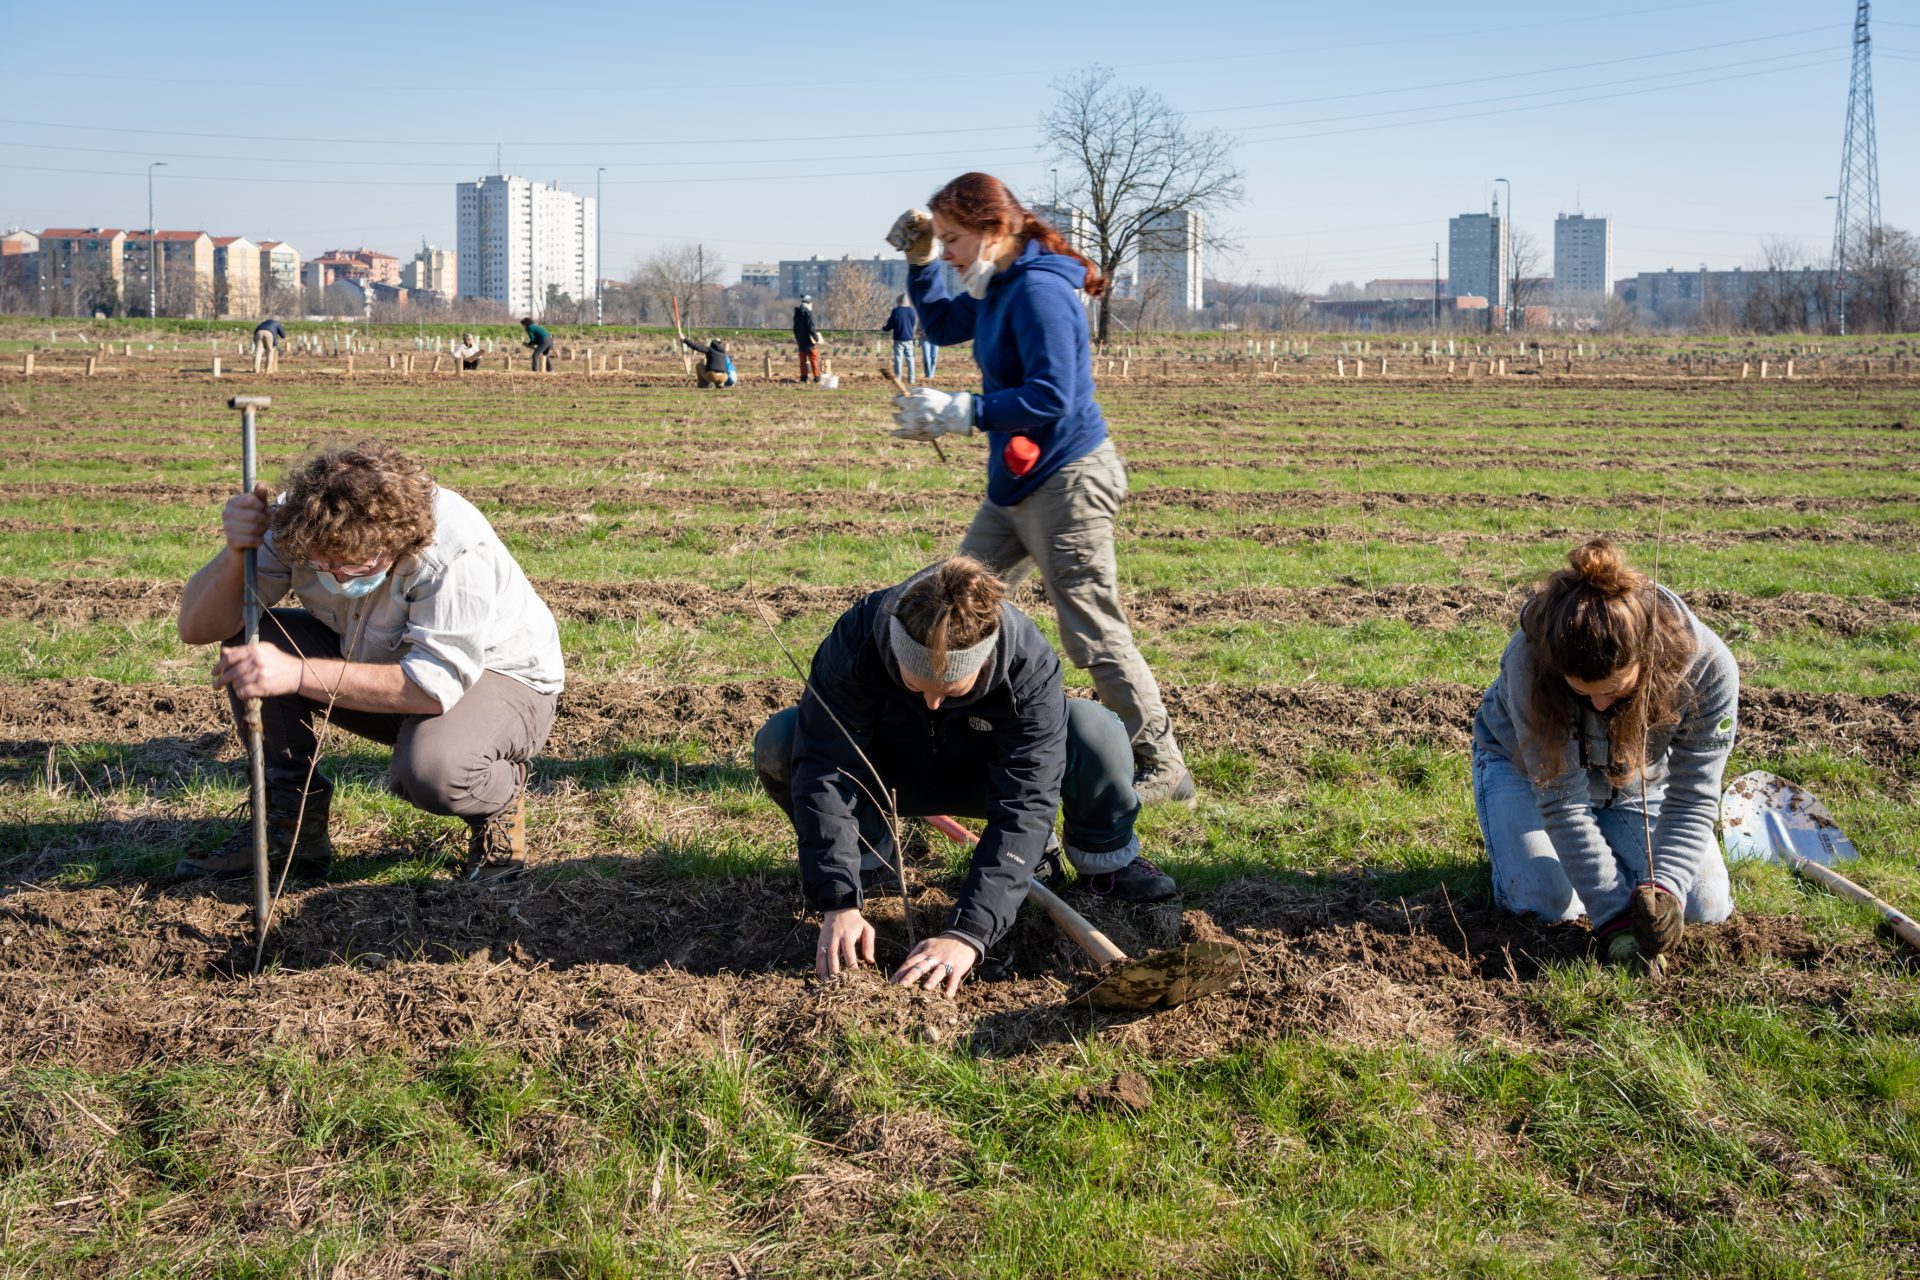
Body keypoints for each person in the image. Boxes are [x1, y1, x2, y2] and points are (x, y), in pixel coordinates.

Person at [882, 172, 1193, 805]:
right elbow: (940, 324)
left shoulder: (1039, 293)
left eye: (952, 239)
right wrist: (918, 264)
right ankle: (918, 743)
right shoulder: (996, 282)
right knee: (945, 603)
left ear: (995, 231)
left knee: (1091, 629)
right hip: (1017, 483)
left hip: (1068, 482)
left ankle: (1161, 765)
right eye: (938, 241)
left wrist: (967, 412)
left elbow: (1055, 395)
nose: (947, 252)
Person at [753, 558, 1176, 994]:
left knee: (1093, 728)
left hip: (989, 778)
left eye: (952, 690)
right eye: (917, 686)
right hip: (889, 775)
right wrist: (837, 899)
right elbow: (826, 767)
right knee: (783, 740)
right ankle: (869, 861)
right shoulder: (857, 639)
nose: (933, 703)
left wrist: (968, 933)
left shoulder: (1027, 663)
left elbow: (1028, 800)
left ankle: (1104, 861)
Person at [174, 439, 566, 883]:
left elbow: (432, 684)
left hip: (498, 678)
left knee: (434, 770)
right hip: (375, 659)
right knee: (250, 640)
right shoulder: (300, 522)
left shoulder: (454, 550)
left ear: (400, 543)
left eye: (358, 567)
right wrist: (236, 551)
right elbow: (197, 627)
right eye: (325, 565)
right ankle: (292, 829)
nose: (339, 578)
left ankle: (497, 802)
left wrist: (298, 672)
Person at [1472, 539, 1739, 976]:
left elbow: (1693, 794)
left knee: (1704, 903)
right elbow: (1563, 800)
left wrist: (1666, 889)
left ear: (1645, 656)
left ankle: (1613, 861)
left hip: (1630, 776)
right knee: (1545, 902)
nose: (1599, 706)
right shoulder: (1528, 659)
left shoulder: (1709, 669)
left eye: (1614, 690)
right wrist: (1614, 918)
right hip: (1523, 770)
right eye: (1582, 692)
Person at [881, 292, 918, 384]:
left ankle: (898, 378)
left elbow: (891, 324)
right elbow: (913, 324)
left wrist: (885, 328)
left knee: (898, 359)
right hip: (909, 338)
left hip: (898, 338)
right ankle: (912, 379)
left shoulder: (896, 311)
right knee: (910, 359)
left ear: (900, 301)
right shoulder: (912, 311)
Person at [792, 295, 823, 383]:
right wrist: (817, 339)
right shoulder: (809, 314)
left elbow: (794, 329)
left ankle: (803, 378)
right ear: (809, 303)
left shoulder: (797, 313)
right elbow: (811, 329)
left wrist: (798, 339)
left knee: (802, 361)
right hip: (809, 342)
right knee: (813, 359)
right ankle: (816, 378)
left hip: (800, 341)